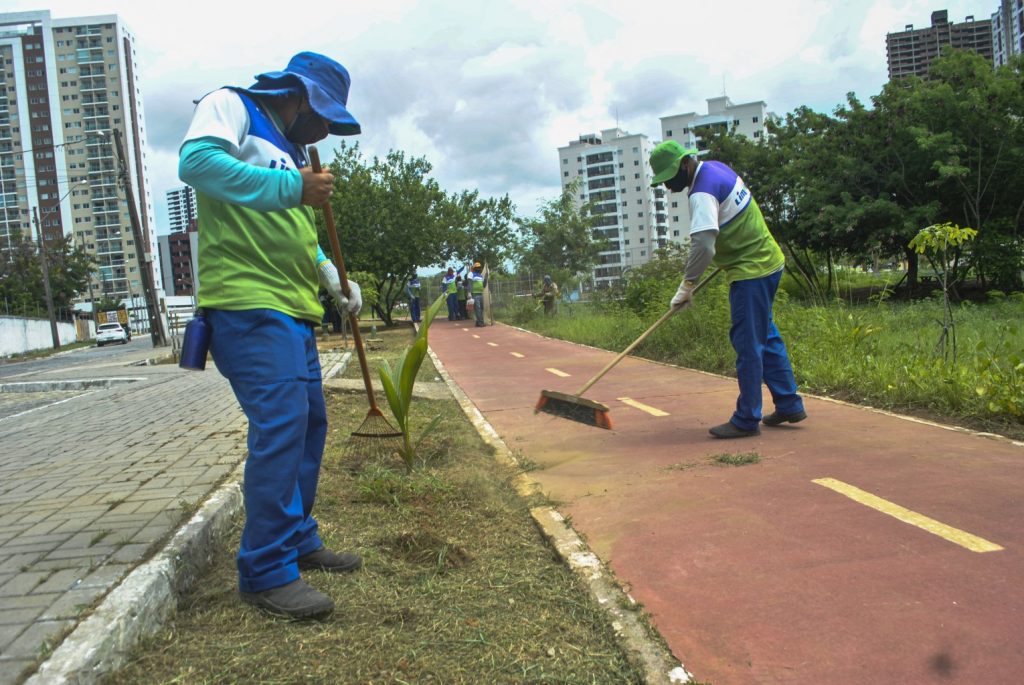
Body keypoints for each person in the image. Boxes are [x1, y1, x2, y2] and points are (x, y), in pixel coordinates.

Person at [178, 51, 365, 619]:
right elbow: (196, 164)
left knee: (308, 425)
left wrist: (329, 274)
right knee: (281, 428)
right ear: (300, 96)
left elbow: (297, 230)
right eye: (325, 117)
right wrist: (291, 188)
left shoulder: (290, 153)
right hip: (248, 304)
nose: (326, 131)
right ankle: (265, 570)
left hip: (293, 308)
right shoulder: (230, 105)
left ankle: (297, 537)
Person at [649, 140, 806, 439]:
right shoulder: (716, 168)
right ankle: (789, 404)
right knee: (765, 335)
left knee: (748, 344)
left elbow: (703, 245)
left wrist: (687, 285)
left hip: (752, 270)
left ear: (685, 164)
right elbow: (727, 221)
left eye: (669, 178)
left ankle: (747, 419)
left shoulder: (701, 193)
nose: (668, 186)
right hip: (768, 260)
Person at [468, 261, 486, 327]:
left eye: (479, 267)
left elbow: (483, 285)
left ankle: (478, 322)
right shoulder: (471, 274)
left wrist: (486, 278)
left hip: (481, 293)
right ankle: (481, 323)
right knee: (478, 309)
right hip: (474, 294)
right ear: (474, 268)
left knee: (481, 308)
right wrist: (469, 293)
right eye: (477, 267)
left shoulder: (480, 276)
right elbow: (469, 283)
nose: (479, 268)